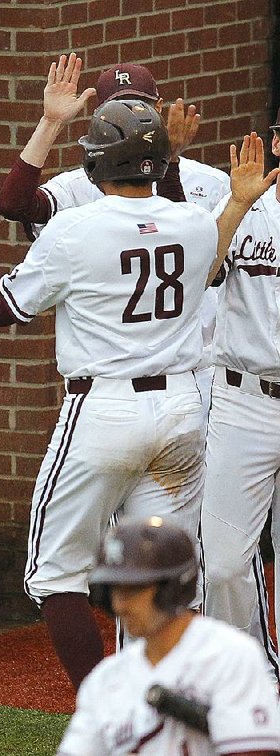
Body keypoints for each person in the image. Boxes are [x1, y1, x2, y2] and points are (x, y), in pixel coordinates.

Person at [0, 99, 276, 691]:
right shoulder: (193, 220)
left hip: (102, 412)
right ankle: (156, 712)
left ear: (97, 164)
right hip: (182, 413)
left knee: (55, 575)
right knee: (159, 572)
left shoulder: (76, 228)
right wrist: (235, 203)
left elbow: (4, 307)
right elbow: (208, 259)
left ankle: (106, 706)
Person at [0, 55, 229, 421]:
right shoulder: (78, 184)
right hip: (109, 381)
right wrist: (51, 122)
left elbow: (213, 272)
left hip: (195, 374)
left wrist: (169, 161)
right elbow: (14, 204)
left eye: (139, 104)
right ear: (100, 118)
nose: (130, 115)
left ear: (159, 108)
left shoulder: (211, 184)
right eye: (118, 107)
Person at [57, 517, 280, 756]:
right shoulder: (104, 681)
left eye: (133, 589)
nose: (120, 604)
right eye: (113, 590)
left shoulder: (229, 656)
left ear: (172, 588)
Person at [200, 107, 280, 679]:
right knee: (224, 563)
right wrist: (236, 204)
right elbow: (199, 274)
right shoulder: (244, 211)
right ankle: (245, 678)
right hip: (243, 399)